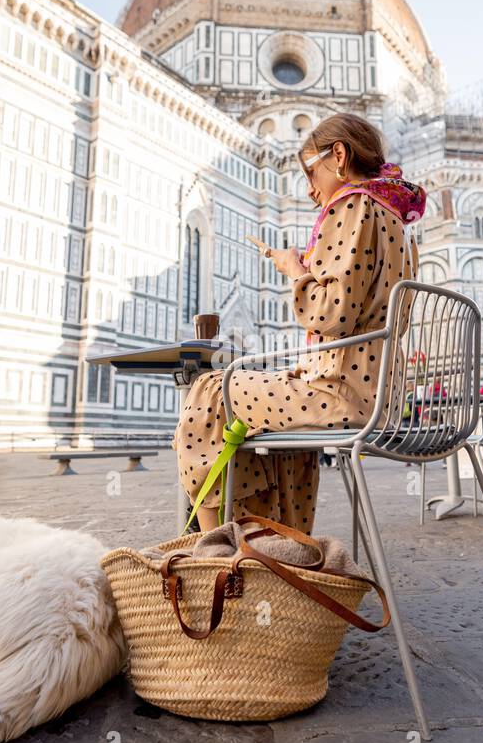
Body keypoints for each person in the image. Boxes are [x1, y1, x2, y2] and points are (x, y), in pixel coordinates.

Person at [174, 113, 426, 534]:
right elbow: (359, 300)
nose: (310, 190)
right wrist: (311, 269)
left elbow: (330, 314)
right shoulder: (396, 220)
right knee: (267, 426)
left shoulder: (351, 205)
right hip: (380, 392)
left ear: (339, 156)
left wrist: (295, 270)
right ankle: (275, 544)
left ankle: (214, 545)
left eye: (312, 172)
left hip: (343, 393)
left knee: (208, 388)